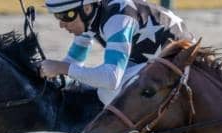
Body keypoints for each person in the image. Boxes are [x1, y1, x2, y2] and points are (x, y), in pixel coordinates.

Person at [40, 0, 194, 105]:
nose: (61, 24)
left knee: (107, 91)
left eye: (66, 15)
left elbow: (111, 78)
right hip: (155, 61)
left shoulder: (118, 20)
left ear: (86, 8)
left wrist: (62, 68)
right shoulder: (90, 18)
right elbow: (73, 62)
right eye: (57, 16)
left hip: (181, 64)